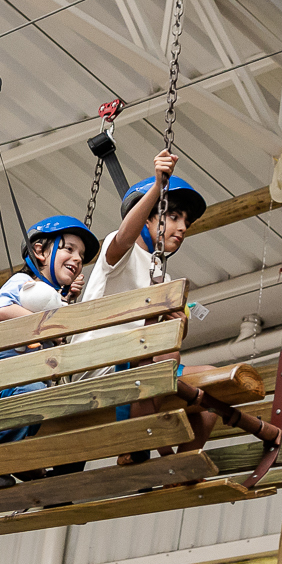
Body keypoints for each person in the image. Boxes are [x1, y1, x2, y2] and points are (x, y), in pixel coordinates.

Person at [70, 150, 218, 463]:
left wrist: (179, 325)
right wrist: (157, 187)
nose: (183, 227)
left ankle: (178, 468)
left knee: (213, 384)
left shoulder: (163, 277)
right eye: (173, 216)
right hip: (99, 365)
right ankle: (136, 448)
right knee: (161, 359)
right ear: (148, 216)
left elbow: (166, 338)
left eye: (186, 222)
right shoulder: (120, 251)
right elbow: (125, 236)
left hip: (142, 367)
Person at [0, 215, 100, 490]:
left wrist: (63, 304)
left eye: (81, 255)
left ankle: (60, 478)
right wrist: (42, 326)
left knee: (75, 413)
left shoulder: (50, 297)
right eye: (69, 249)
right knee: (32, 392)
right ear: (39, 251)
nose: (77, 259)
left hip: (23, 380)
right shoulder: (22, 282)